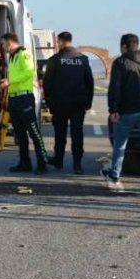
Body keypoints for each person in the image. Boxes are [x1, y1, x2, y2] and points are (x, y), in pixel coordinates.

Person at [101, 33, 140, 191]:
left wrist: (113, 109)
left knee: (120, 145)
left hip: (126, 111)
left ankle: (115, 176)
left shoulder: (121, 62)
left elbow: (115, 88)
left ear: (124, 46)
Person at [43, 31, 94, 175]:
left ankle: (58, 161)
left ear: (60, 41)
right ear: (70, 41)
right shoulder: (83, 59)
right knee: (77, 134)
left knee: (60, 134)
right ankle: (77, 165)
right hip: (78, 104)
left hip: (59, 103)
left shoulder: (55, 59)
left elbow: (48, 83)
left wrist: (48, 101)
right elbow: (89, 82)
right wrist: (88, 101)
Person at [0, 33, 48, 175]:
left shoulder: (24, 54)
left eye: (3, 44)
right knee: (19, 134)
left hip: (24, 98)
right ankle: (24, 163)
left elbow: (28, 72)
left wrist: (10, 81)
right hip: (14, 99)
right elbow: (15, 76)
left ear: (9, 43)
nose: (2, 47)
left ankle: (42, 163)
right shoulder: (12, 57)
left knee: (33, 132)